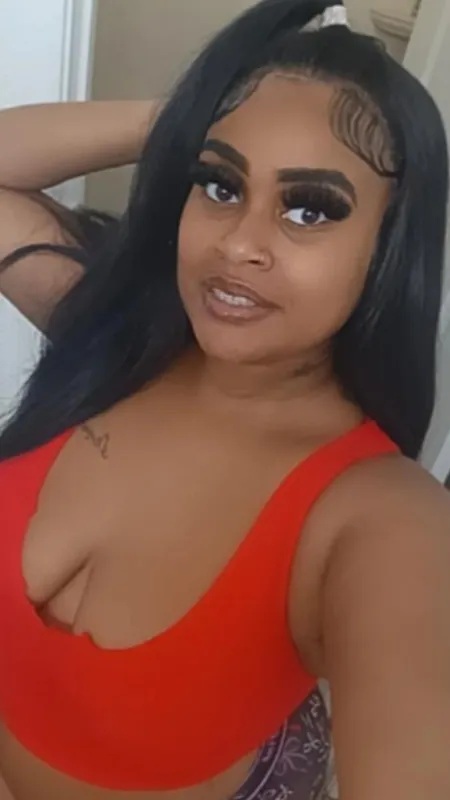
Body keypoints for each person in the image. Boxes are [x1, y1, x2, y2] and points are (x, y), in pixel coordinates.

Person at [0, 1, 449, 799]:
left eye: (309, 209)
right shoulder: (111, 342)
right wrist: (197, 114)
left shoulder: (383, 517)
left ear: (388, 248)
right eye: (219, 183)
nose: (239, 243)